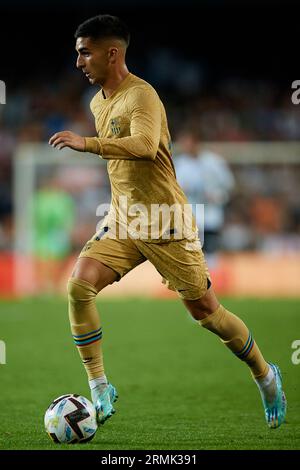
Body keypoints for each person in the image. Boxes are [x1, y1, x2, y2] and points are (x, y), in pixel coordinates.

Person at [49, 14, 286, 429]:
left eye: (85, 53)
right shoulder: (97, 101)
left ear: (112, 53)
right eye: (77, 53)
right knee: (79, 286)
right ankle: (99, 385)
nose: (78, 62)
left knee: (207, 313)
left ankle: (265, 375)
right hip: (125, 218)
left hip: (166, 222)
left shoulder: (143, 96)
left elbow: (142, 147)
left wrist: (85, 143)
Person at [174, 130, 235, 265]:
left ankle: (212, 282)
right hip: (190, 216)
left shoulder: (214, 162)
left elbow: (229, 185)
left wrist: (219, 196)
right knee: (191, 253)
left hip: (211, 215)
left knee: (211, 252)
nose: (186, 146)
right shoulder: (179, 165)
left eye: (188, 142)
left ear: (197, 143)